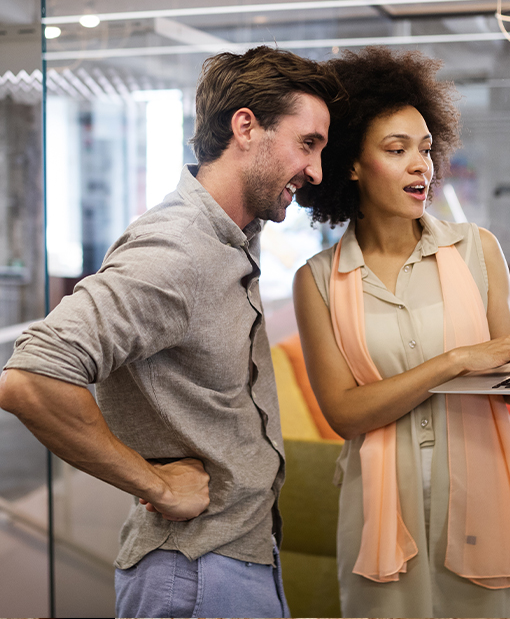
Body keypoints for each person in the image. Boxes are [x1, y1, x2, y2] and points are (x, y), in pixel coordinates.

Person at [0, 46, 342, 619]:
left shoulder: (230, 239)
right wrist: (156, 486)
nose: (316, 172)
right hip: (197, 577)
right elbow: (29, 378)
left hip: (233, 561)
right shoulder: (179, 248)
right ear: (245, 127)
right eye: (308, 143)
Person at [293, 46, 510, 619]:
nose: (422, 166)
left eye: (425, 149)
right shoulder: (317, 280)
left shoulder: (477, 249)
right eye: (397, 151)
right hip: (379, 502)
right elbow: (346, 413)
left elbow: (504, 374)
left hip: (480, 487)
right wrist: (453, 361)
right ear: (350, 163)